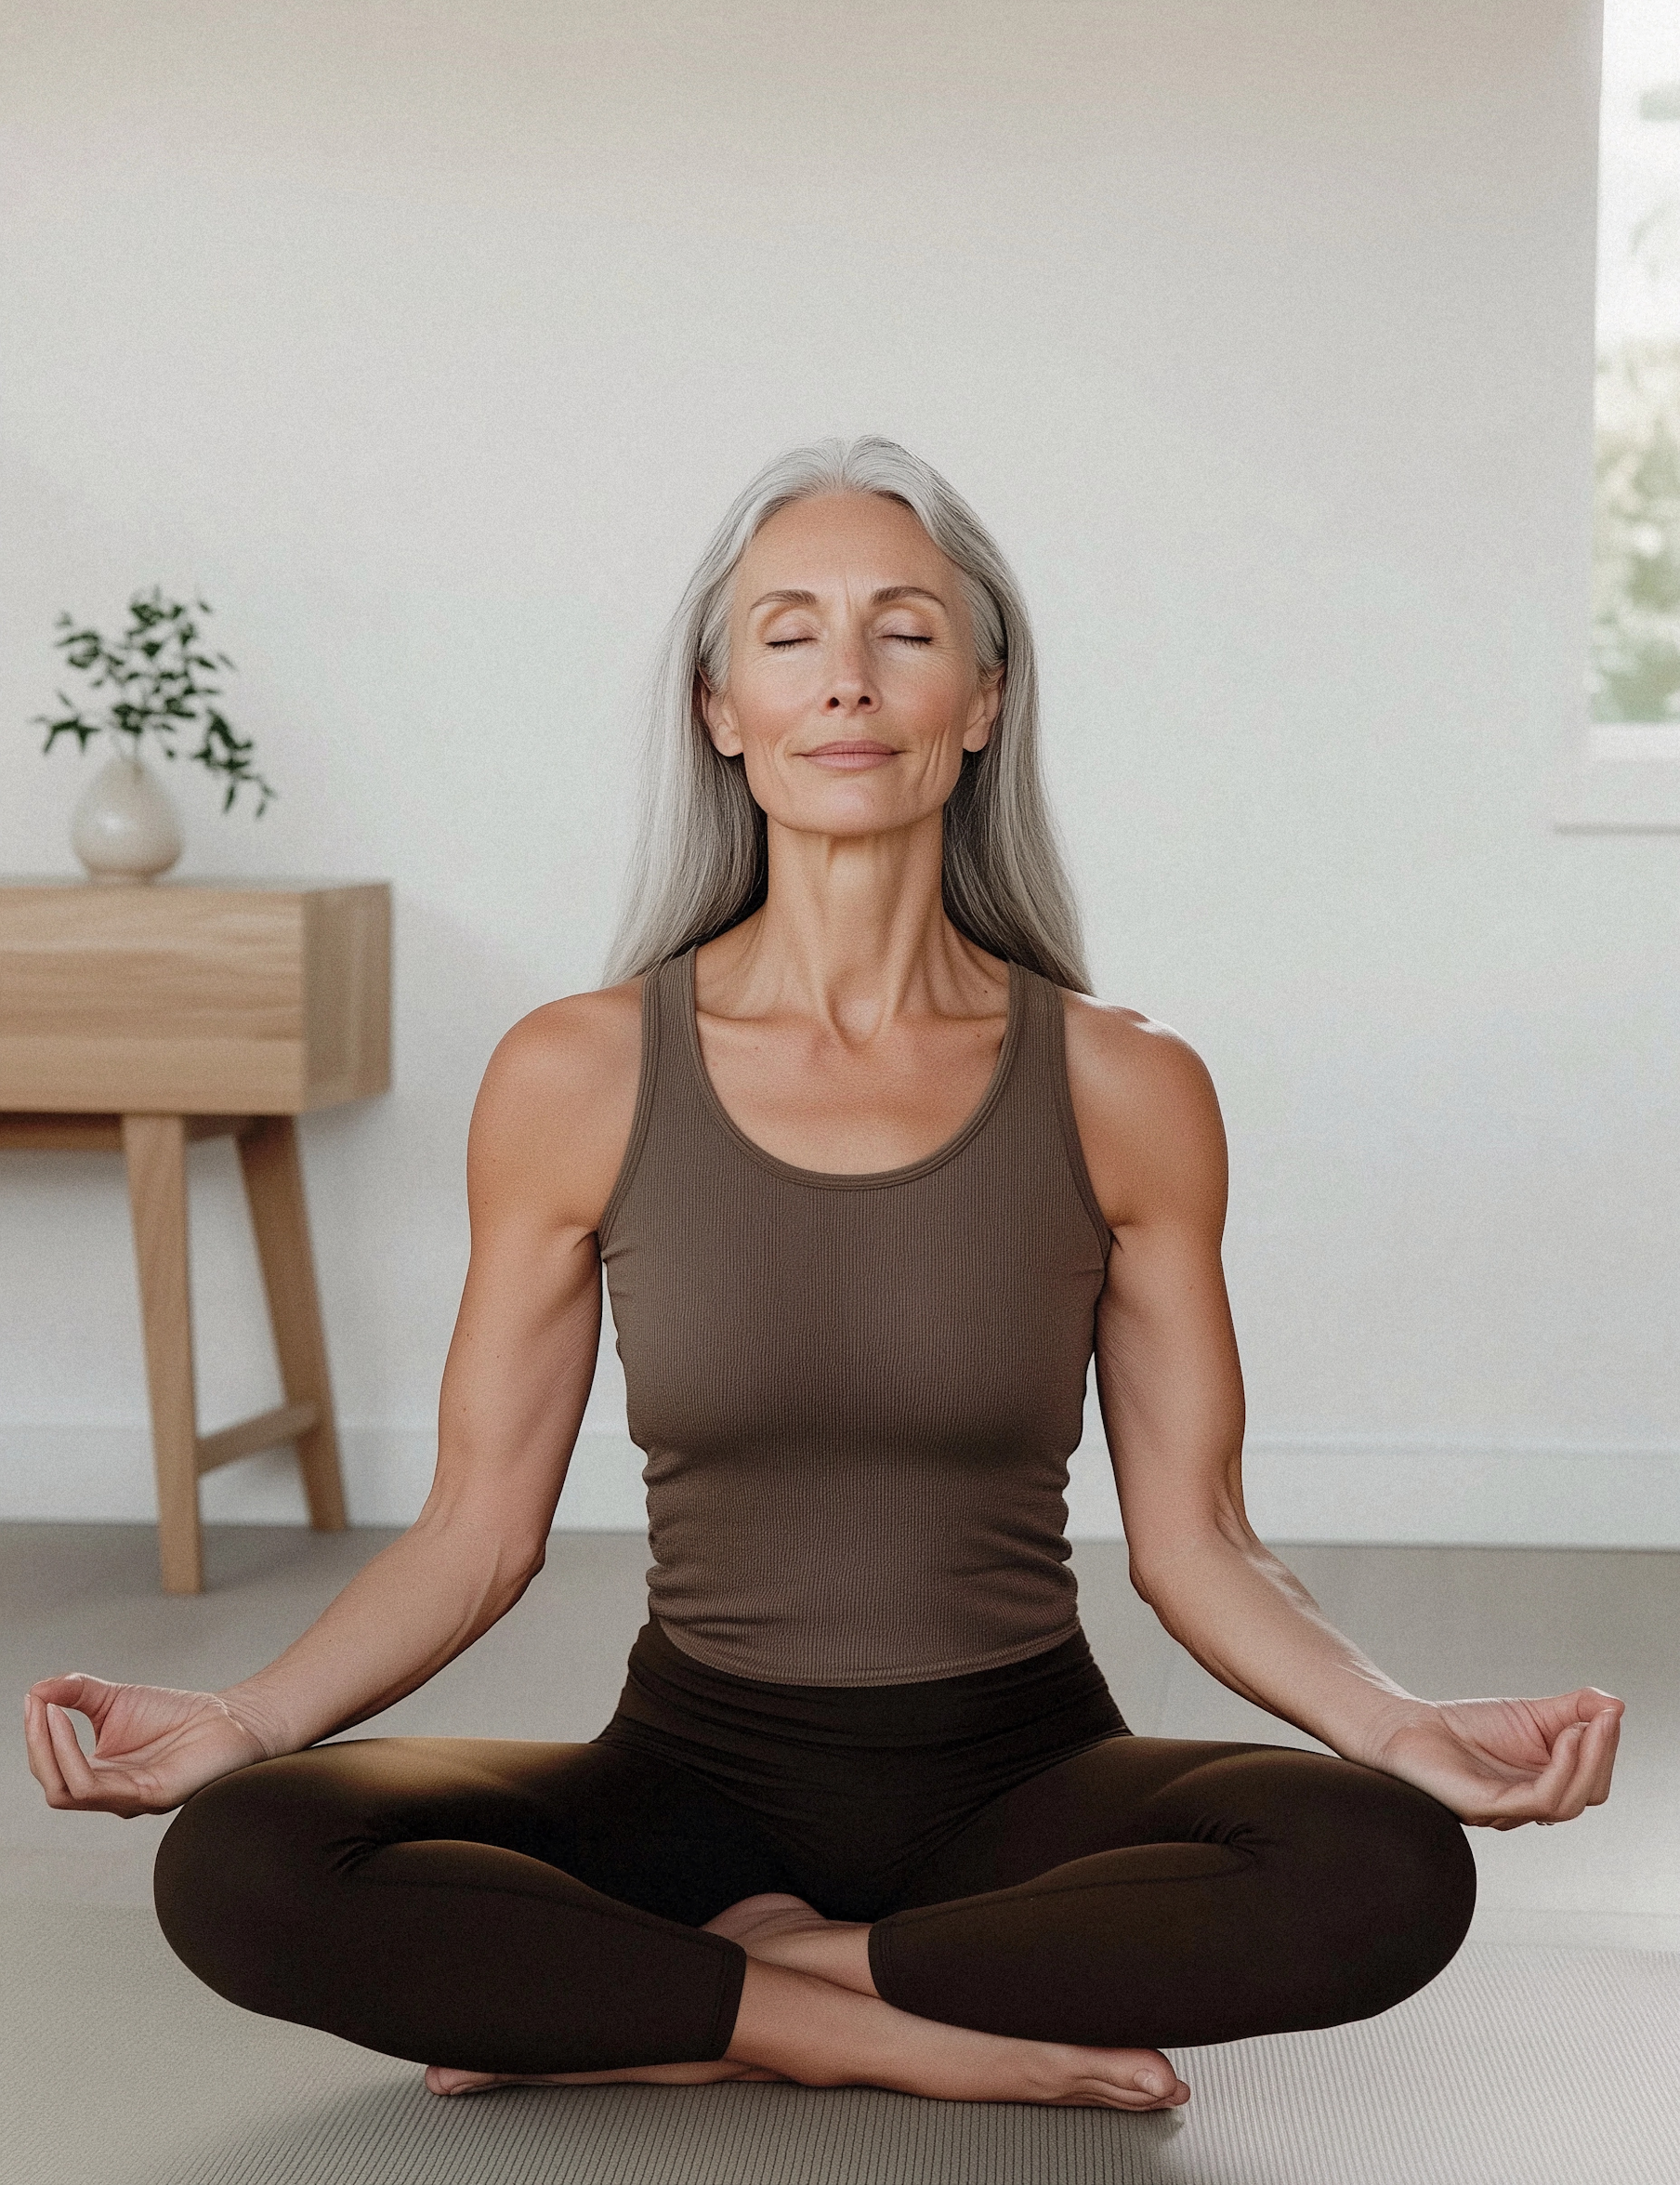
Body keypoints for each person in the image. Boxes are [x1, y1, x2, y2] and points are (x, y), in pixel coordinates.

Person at [25, 440, 1623, 2114]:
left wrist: (1397, 1726)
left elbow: (1198, 1544)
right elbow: (477, 1532)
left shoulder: (1123, 1087)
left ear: (986, 699)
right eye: (789, 635)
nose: (846, 682)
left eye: (906, 633)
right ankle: (874, 2030)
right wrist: (243, 1721)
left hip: (1023, 1783)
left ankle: (705, 1992)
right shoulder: (580, 1074)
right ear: (721, 707)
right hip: (683, 1785)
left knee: (1386, 1865)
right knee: (247, 1858)